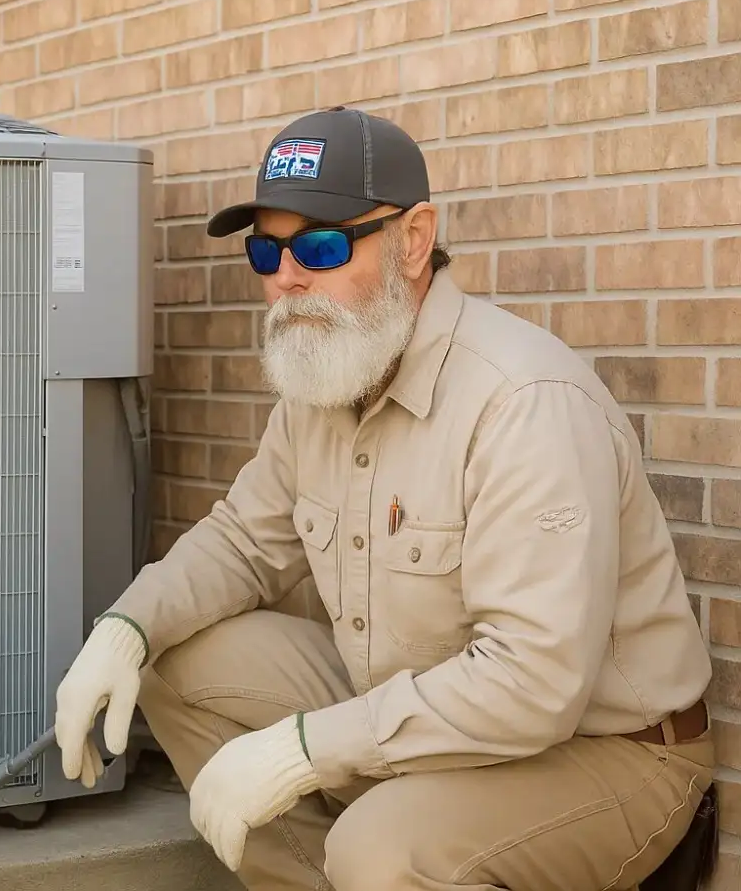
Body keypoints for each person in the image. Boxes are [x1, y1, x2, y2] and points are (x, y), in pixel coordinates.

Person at [53, 107, 715, 891]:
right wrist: (126, 628)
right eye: (266, 249)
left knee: (379, 849)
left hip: (604, 752)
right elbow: (241, 541)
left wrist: (303, 748)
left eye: (322, 246)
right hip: (412, 712)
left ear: (413, 240)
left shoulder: (524, 401)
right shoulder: (323, 382)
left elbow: (533, 686)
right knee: (171, 653)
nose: (287, 277)